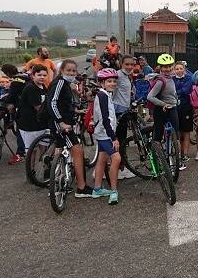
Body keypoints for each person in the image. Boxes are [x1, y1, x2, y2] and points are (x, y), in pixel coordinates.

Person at [47, 59, 92, 197]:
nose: (71, 73)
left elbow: (63, 103)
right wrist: (60, 122)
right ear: (62, 71)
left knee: (61, 151)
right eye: (68, 70)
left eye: (73, 71)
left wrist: (76, 112)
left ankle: (55, 185)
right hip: (60, 124)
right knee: (77, 149)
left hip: (64, 121)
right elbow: (52, 103)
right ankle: (81, 187)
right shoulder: (60, 82)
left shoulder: (65, 83)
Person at [91, 68, 121, 205]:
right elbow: (105, 119)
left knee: (102, 159)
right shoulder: (103, 96)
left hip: (101, 133)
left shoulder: (104, 95)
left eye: (114, 81)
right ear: (102, 83)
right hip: (105, 135)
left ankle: (97, 189)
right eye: (109, 81)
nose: (112, 83)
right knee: (116, 158)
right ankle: (114, 190)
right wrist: (113, 137)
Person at [112, 55, 137, 179]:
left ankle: (119, 167)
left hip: (124, 110)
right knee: (119, 140)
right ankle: (118, 169)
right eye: (127, 64)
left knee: (121, 140)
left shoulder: (127, 76)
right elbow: (112, 92)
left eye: (131, 64)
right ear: (121, 64)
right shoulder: (117, 75)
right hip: (118, 111)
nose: (129, 66)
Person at [0, 64, 29, 164]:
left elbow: (11, 97)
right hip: (30, 106)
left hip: (24, 109)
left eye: (5, 73)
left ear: (7, 73)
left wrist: (2, 99)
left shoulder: (16, 81)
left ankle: (21, 153)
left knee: (20, 130)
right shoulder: (23, 76)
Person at [147, 54, 180, 143]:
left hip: (173, 107)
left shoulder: (172, 78)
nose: (168, 69)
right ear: (160, 68)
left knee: (176, 132)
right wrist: (164, 104)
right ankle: (154, 155)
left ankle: (174, 153)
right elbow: (150, 97)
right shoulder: (161, 81)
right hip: (161, 109)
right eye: (165, 67)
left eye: (170, 66)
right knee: (158, 135)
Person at [16, 64, 49, 154]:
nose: (42, 77)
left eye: (44, 75)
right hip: (29, 126)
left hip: (40, 124)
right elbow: (39, 108)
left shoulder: (43, 87)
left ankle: (44, 167)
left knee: (45, 149)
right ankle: (31, 168)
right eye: (39, 75)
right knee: (32, 151)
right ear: (33, 75)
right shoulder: (31, 88)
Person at [173, 61, 194, 169]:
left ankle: (185, 154)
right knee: (177, 132)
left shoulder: (188, 79)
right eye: (177, 69)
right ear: (174, 70)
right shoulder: (172, 79)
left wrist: (176, 91)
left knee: (186, 132)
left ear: (184, 69)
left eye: (181, 68)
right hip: (174, 108)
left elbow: (186, 91)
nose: (179, 70)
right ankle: (178, 153)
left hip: (186, 108)